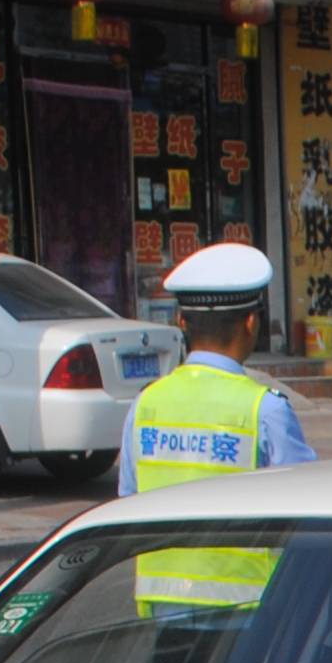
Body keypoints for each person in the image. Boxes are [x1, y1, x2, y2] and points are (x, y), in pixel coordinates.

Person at [122, 241, 314, 613]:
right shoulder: (265, 409)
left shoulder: (145, 405)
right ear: (250, 322)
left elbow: (128, 504)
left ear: (181, 322)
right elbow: (308, 515)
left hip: (162, 607)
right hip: (246, 614)